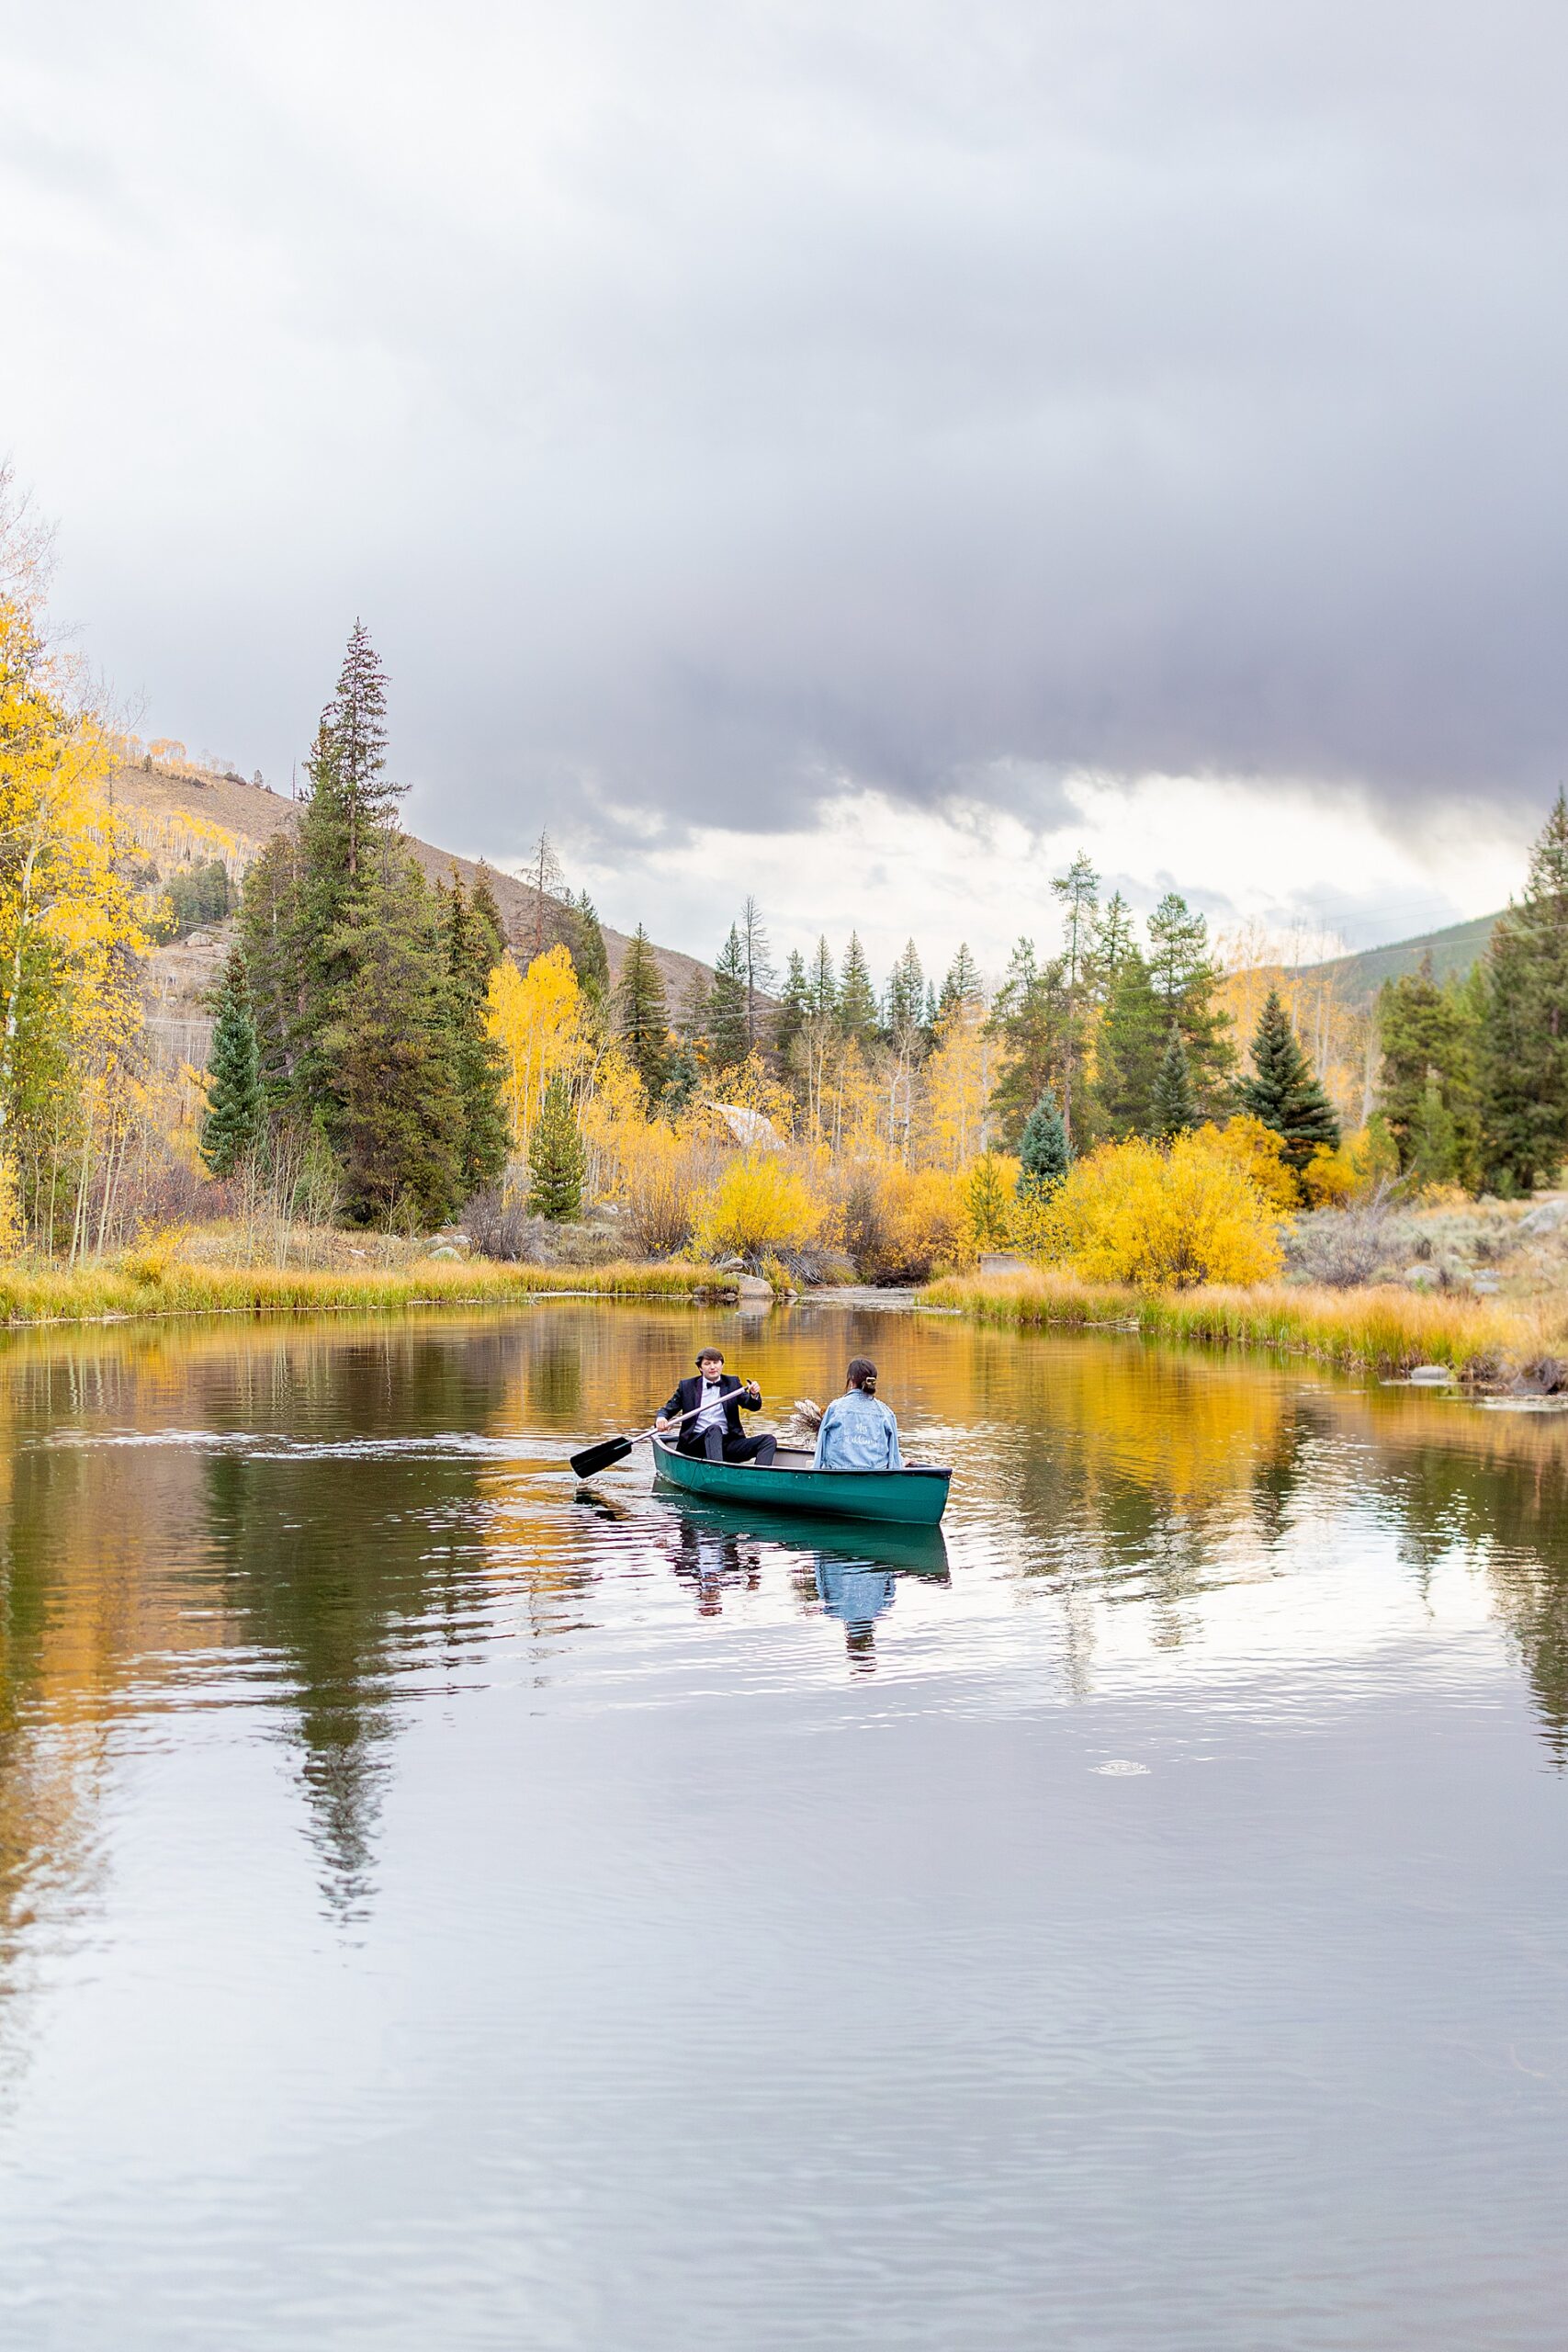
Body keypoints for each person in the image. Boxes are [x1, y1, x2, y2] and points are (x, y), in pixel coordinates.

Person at [657, 1348, 777, 1466]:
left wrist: (754, 1394)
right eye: (707, 1364)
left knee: (768, 1440)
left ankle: (760, 1477)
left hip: (728, 1443)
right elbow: (667, 1409)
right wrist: (661, 1418)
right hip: (696, 1444)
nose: (713, 1367)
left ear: (721, 1365)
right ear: (700, 1368)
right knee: (714, 1429)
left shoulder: (733, 1383)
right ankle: (718, 1472)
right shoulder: (687, 1386)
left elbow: (753, 1406)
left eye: (716, 1362)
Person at [812, 1357, 903, 1470]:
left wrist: (815, 1472)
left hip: (838, 1474)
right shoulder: (887, 1413)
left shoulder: (835, 1409)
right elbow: (894, 1460)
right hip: (875, 1476)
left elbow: (821, 1448)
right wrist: (902, 1463)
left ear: (852, 1379)